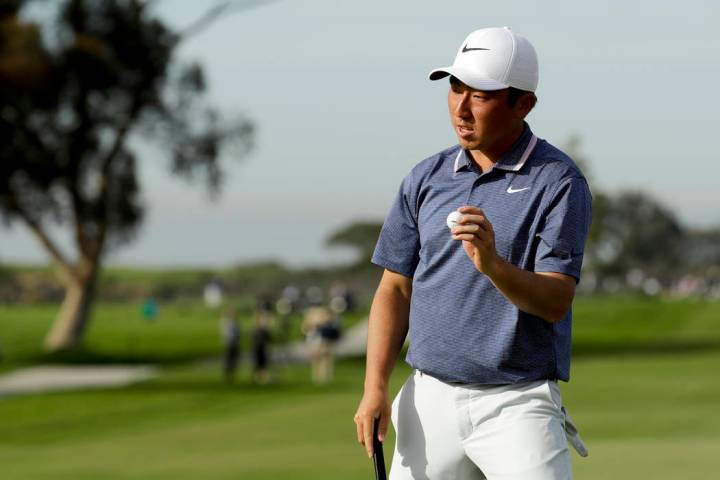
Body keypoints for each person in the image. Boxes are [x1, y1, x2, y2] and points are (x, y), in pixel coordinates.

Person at [353, 27, 592, 479]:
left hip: (517, 404)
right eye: (455, 88)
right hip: (429, 400)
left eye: (479, 95)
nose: (460, 108)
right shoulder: (426, 178)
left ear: (523, 105)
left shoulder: (559, 181)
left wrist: (493, 265)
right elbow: (395, 289)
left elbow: (556, 300)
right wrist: (374, 388)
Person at [219, 307, 241, 383]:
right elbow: (227, 334)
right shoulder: (227, 323)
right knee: (229, 360)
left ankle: (232, 375)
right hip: (230, 344)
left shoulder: (235, 323)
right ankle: (228, 376)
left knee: (234, 360)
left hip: (235, 344)